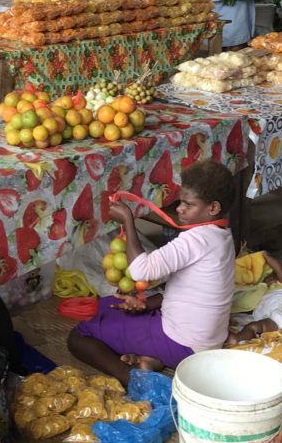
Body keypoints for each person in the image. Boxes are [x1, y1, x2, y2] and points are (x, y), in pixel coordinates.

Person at [67, 160, 236, 383]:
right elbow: (193, 291)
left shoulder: (195, 239)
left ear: (213, 208)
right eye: (180, 202)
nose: (179, 209)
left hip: (183, 343)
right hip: (203, 338)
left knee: (79, 336)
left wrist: (128, 221)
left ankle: (130, 378)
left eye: (188, 204)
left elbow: (140, 272)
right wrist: (147, 304)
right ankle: (149, 359)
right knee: (108, 304)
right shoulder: (222, 235)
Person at [228, 253, 282, 344]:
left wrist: (267, 256)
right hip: (273, 320)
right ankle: (237, 338)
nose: (268, 279)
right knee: (252, 327)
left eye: (270, 276)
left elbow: (280, 270)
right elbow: (246, 306)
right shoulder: (259, 293)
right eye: (265, 278)